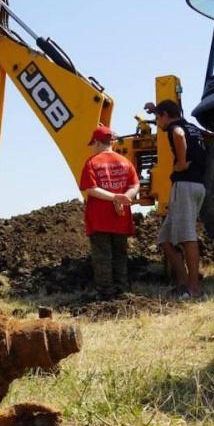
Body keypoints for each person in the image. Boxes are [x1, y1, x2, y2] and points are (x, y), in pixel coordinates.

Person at [152, 100, 208, 299]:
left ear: (166, 115)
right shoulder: (193, 127)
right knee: (165, 239)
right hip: (197, 185)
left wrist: (182, 163)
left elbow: (178, 134)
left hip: (185, 185)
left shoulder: (175, 128)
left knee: (187, 237)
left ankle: (194, 289)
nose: (157, 122)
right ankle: (182, 282)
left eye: (157, 118)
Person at [79, 124, 139, 301]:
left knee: (102, 256)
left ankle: (106, 293)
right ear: (111, 142)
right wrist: (124, 197)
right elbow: (135, 185)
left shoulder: (92, 162)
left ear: (97, 142)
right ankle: (122, 290)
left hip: (99, 219)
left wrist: (115, 197)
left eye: (94, 144)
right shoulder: (125, 162)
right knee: (120, 254)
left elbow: (90, 189)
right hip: (121, 218)